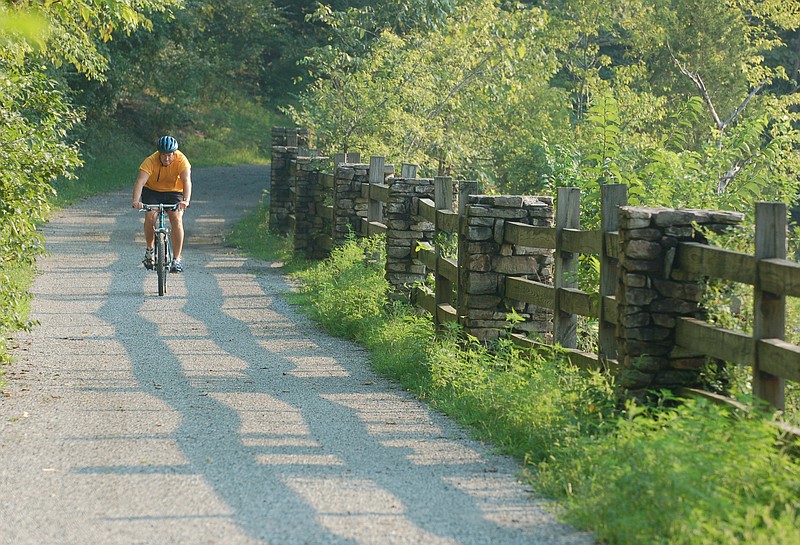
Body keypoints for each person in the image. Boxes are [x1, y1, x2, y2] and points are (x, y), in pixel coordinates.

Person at [131, 135, 192, 273]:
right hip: (152, 191)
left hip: (174, 192)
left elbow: (187, 181)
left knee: (176, 219)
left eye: (169, 155)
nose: (166, 158)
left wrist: (186, 200)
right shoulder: (150, 161)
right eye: (163, 155)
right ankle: (150, 250)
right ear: (159, 153)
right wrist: (136, 201)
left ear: (174, 153)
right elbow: (140, 181)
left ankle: (176, 259)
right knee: (150, 217)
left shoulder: (182, 160)